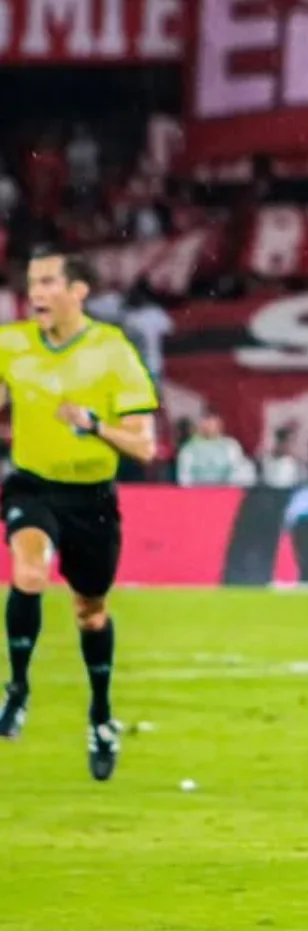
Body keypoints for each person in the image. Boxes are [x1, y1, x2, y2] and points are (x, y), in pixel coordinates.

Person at [0, 249, 158, 781]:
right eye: (31, 282)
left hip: (91, 499)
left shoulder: (112, 352)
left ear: (79, 290)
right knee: (28, 570)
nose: (36, 292)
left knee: (90, 611)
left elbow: (145, 447)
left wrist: (94, 425)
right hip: (32, 485)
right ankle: (18, 688)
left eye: (47, 282)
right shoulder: (12, 343)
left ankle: (100, 715)